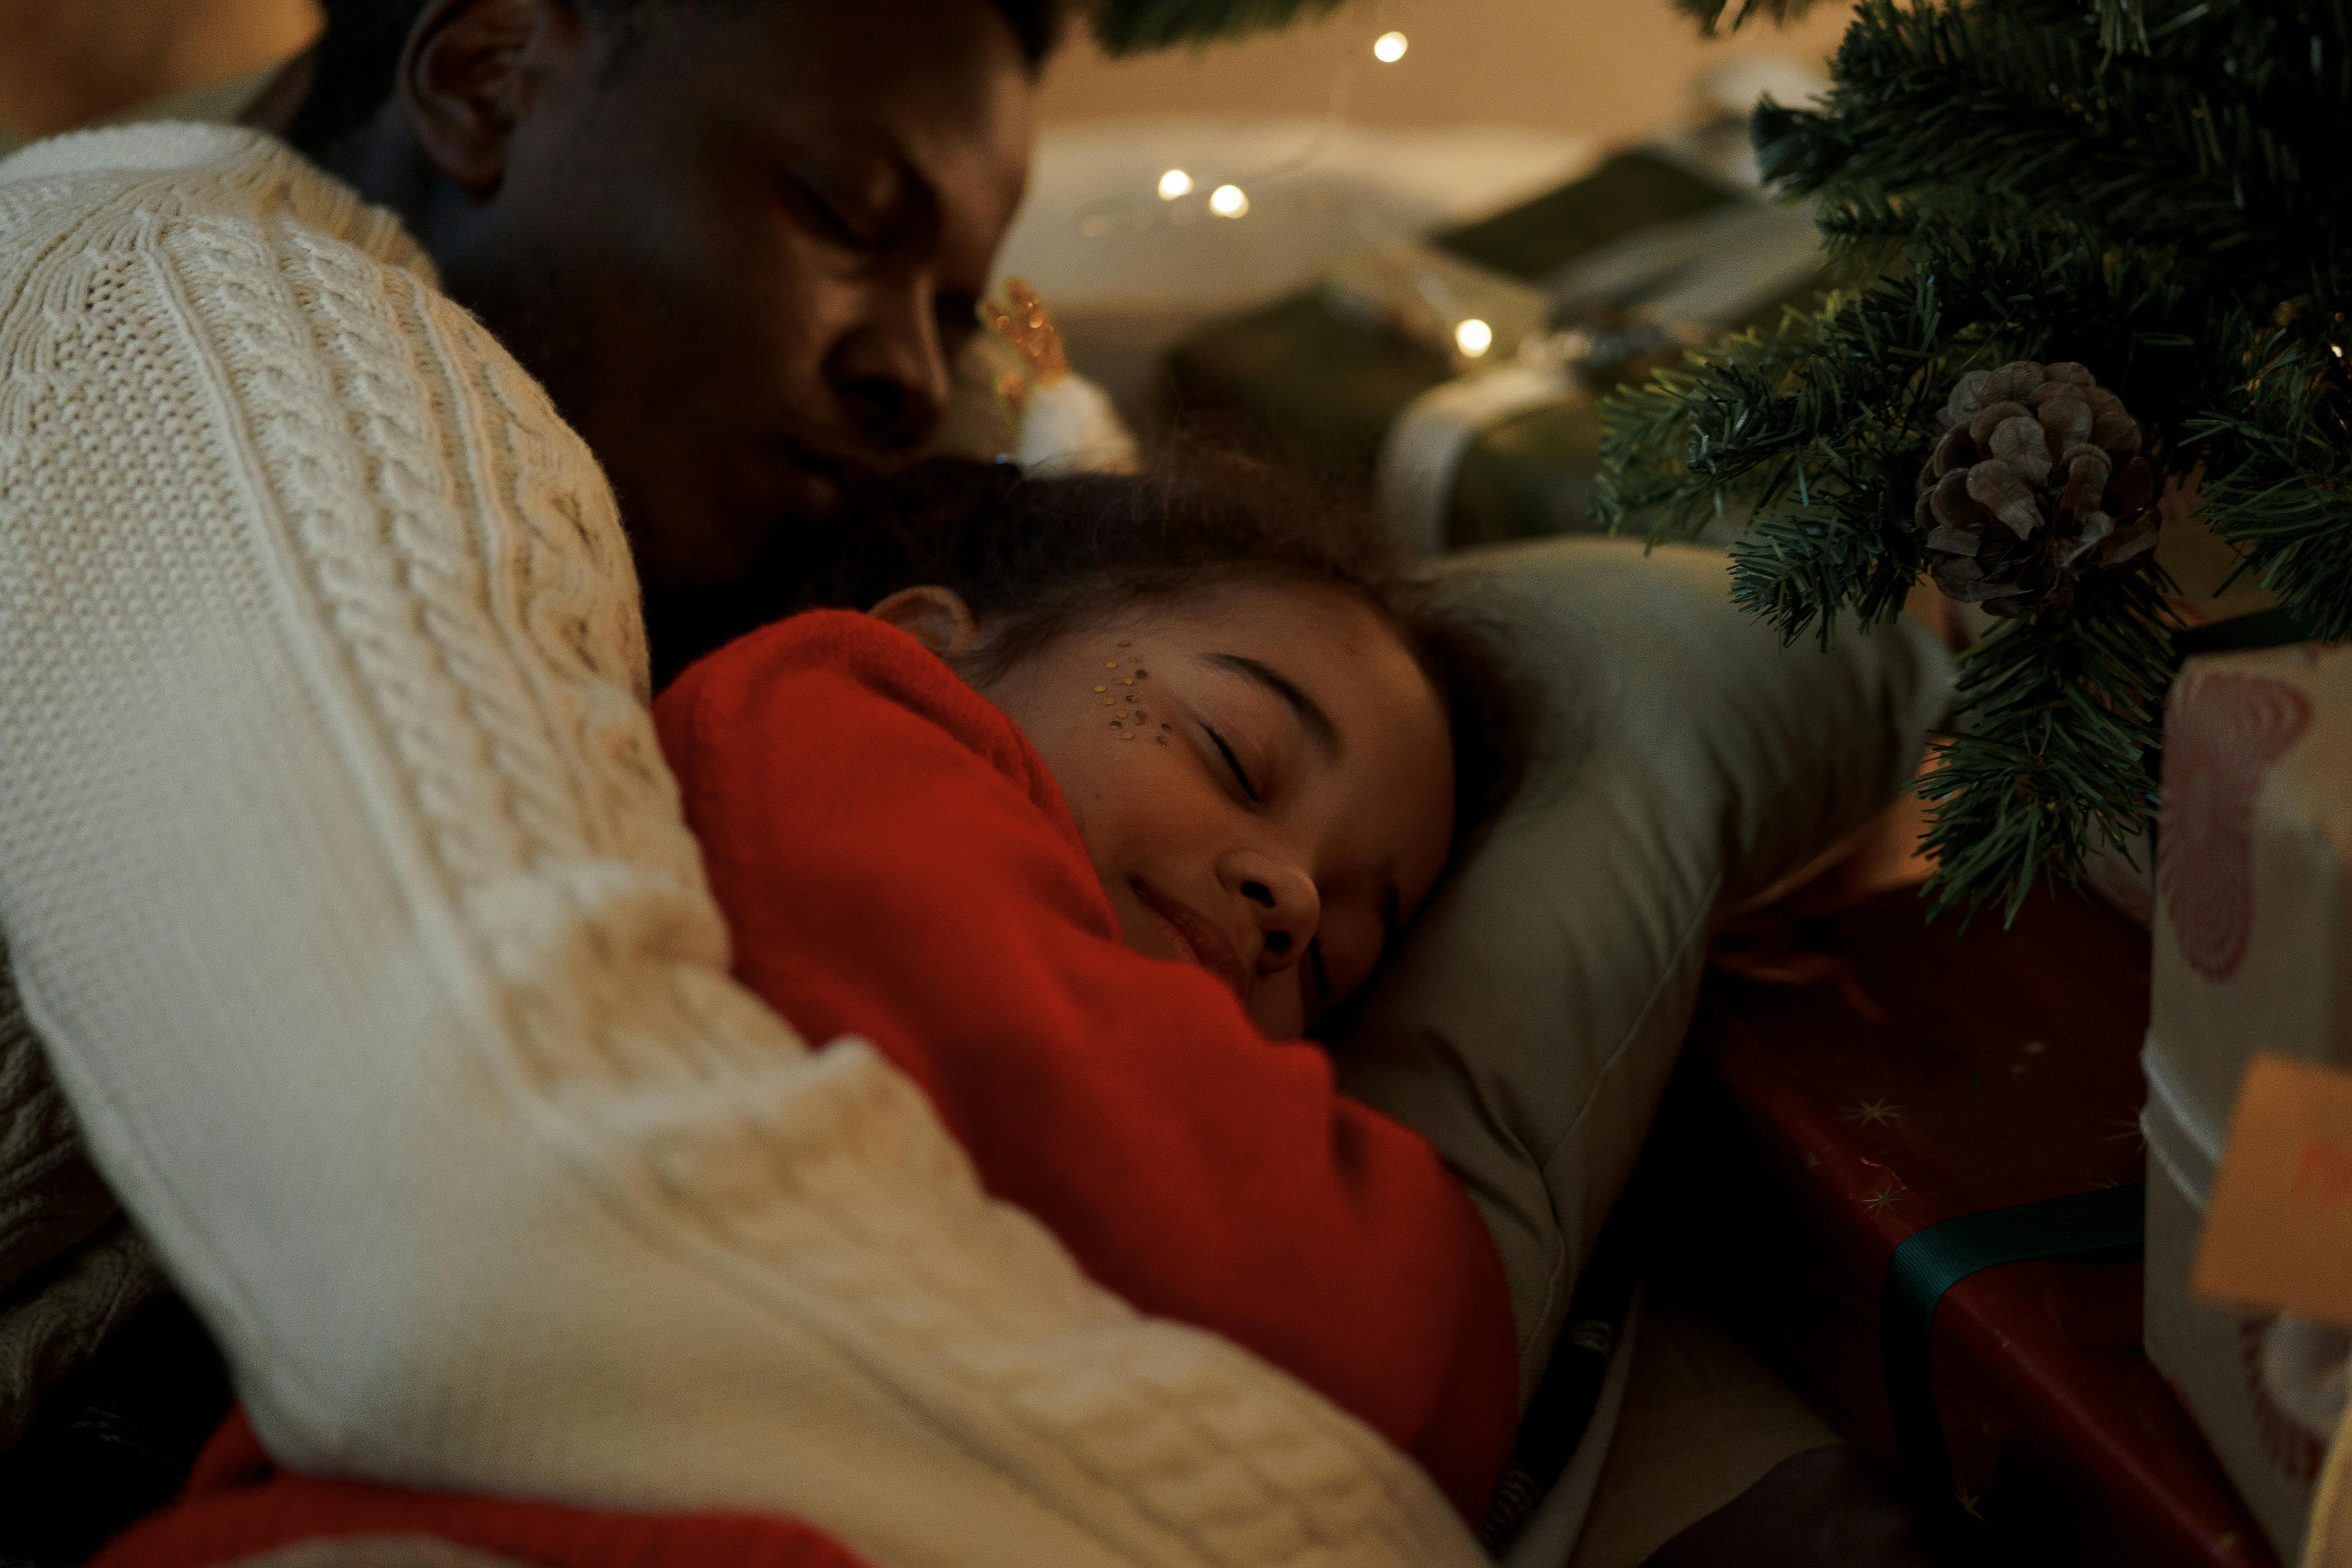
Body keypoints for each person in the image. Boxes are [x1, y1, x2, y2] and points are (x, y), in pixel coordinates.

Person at [0, 0, 1499, 1563]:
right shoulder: (210, 314)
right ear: (486, 73)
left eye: (955, 308)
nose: (918, 377)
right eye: (845, 215)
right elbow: (487, 1237)